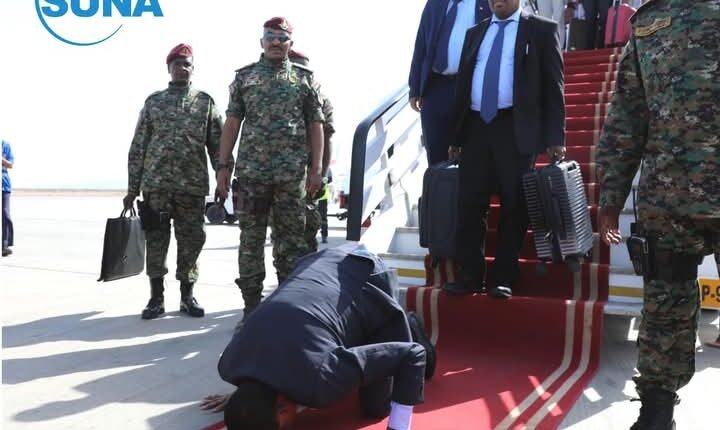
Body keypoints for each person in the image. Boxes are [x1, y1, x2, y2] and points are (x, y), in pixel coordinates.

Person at [596, 1, 720, 428]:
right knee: (665, 307)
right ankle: (655, 413)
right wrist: (610, 197)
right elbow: (627, 117)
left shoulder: (650, 22)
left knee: (665, 308)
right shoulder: (648, 23)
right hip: (669, 200)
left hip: (668, 196)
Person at [201, 243, 436, 430]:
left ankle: (410, 325)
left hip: (365, 275)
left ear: (283, 410)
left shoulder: (322, 377)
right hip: (317, 265)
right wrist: (247, 396)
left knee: (376, 407)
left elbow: (411, 355)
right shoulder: (231, 364)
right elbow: (258, 371)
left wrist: (398, 427)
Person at [444, 0, 565, 298]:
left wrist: (555, 137)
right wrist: (455, 137)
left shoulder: (541, 30)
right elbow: (463, 86)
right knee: (470, 203)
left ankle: (504, 278)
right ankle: (470, 276)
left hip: (515, 127)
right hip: (475, 127)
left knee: (514, 204)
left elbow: (554, 85)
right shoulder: (475, 33)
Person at [215, 17, 325, 324]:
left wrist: (316, 169)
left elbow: (316, 125)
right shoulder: (245, 78)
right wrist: (223, 166)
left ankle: (285, 311)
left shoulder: (304, 79)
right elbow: (232, 123)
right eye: (270, 36)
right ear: (261, 41)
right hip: (252, 174)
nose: (276, 42)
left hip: (291, 178)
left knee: (292, 245)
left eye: (282, 37)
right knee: (250, 241)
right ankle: (251, 309)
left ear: (291, 43)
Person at [124, 43, 224, 320]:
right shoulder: (153, 102)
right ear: (168, 68)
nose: (182, 68)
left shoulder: (205, 102)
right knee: (156, 242)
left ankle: (187, 296)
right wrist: (132, 189)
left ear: (193, 69)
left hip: (192, 188)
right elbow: (138, 147)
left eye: (187, 64)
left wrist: (223, 179)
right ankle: (156, 298)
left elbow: (218, 148)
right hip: (156, 187)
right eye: (177, 64)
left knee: (191, 241)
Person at [408, 0, 493, 166]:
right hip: (435, 87)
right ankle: (439, 181)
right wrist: (415, 88)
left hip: (470, 89)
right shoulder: (435, 3)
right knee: (436, 153)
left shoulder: (485, 4)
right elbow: (421, 44)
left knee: (470, 153)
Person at [287, 49, 335, 252]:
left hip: (307, 177)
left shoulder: (320, 99)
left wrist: (321, 175)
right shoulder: (277, 95)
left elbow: (327, 138)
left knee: (307, 228)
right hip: (280, 175)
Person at [2, 139, 14, 257]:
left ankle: (5, 245)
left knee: (6, 215)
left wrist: (2, 160)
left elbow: (10, 164)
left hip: (4, 186)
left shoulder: (5, 145)